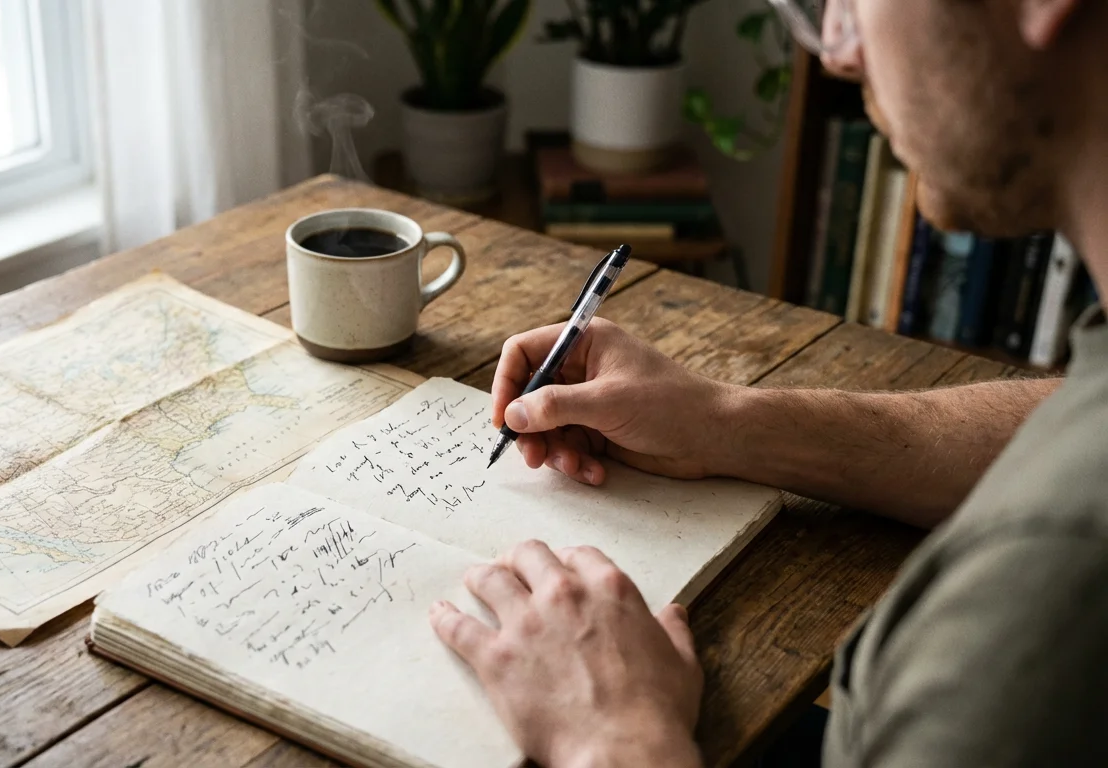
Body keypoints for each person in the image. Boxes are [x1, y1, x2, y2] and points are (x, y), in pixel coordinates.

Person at [427, 0, 1108, 765]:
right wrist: (723, 420)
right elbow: (1068, 422)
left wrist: (617, 739)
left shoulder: (1051, 590)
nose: (837, 54)